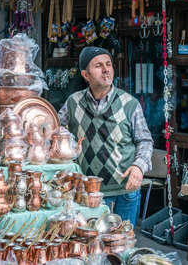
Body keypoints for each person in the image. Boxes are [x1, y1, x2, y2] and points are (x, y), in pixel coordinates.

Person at [58, 46, 153, 226]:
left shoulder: (129, 103)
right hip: (87, 192)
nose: (106, 70)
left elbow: (145, 141)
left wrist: (139, 167)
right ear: (86, 75)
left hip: (124, 192)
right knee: (91, 247)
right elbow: (56, 133)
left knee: (120, 247)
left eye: (108, 64)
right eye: (99, 65)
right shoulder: (73, 102)